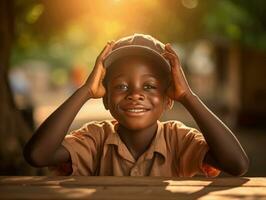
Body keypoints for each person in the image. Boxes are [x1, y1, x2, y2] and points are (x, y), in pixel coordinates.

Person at [23, 33, 249, 176]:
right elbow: (37, 155)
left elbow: (237, 165)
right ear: (105, 98)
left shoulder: (179, 140)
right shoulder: (95, 139)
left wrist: (188, 96)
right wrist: (85, 91)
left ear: (169, 98)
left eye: (149, 86)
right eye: (121, 86)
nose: (135, 94)